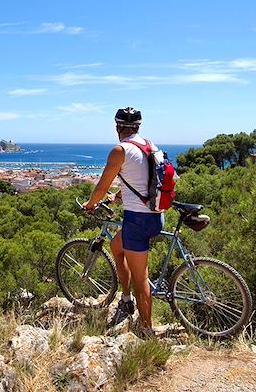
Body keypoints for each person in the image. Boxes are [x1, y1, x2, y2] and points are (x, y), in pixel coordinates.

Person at [83, 106, 163, 338]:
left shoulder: (120, 150)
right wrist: (116, 198)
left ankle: (147, 331)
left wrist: (90, 205)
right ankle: (126, 298)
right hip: (156, 214)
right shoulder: (149, 146)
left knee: (142, 278)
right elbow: (142, 182)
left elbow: (101, 186)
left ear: (118, 127)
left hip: (138, 220)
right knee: (116, 247)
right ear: (138, 127)